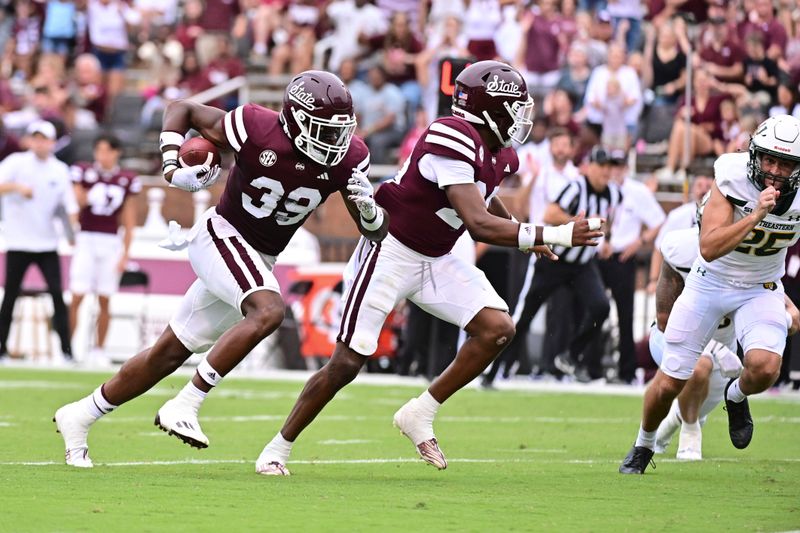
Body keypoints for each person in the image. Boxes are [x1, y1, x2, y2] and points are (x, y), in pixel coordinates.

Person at [254, 60, 604, 476]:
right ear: (490, 108)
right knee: (347, 363)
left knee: (497, 329)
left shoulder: (499, 151)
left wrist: (528, 235)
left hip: (438, 255)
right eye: (514, 106)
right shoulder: (450, 134)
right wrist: (555, 234)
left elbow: (485, 195)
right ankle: (277, 448)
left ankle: (420, 412)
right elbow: (476, 222)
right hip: (391, 250)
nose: (521, 115)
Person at [53, 70, 390, 468]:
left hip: (258, 258)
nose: (335, 141)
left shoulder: (349, 157)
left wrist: (370, 210)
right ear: (296, 119)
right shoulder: (255, 126)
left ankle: (80, 415)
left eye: (340, 131)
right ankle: (187, 402)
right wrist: (171, 168)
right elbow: (181, 108)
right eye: (324, 129)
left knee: (167, 353)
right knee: (268, 311)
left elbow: (376, 231)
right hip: (222, 235)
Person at [620, 114, 800, 474]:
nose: (776, 170)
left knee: (765, 368)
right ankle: (643, 444)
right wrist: (755, 216)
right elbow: (709, 247)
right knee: (671, 380)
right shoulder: (731, 178)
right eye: (769, 159)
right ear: (754, 156)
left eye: (786, 163)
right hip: (710, 281)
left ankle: (735, 396)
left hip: (760, 287)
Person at [650, 198, 800, 460]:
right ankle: (688, 433)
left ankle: (677, 422)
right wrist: (714, 349)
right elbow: (664, 319)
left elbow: (793, 317)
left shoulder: (749, 265)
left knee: (699, 405)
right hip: (674, 336)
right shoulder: (681, 249)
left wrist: (769, 326)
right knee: (698, 368)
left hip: (726, 349)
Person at [497, 145, 623, 383]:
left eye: (610, 167)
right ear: (590, 167)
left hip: (583, 265)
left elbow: (610, 222)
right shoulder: (575, 188)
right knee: (525, 316)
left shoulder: (615, 194)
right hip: (553, 262)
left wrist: (608, 241)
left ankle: (570, 355)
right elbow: (550, 214)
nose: (607, 172)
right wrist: (575, 225)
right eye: (602, 166)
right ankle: (497, 368)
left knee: (601, 307)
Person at [0, 120, 78, 362]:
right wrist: (16, 187)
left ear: (53, 142)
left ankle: (66, 351)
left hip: (47, 243)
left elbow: (69, 206)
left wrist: (73, 231)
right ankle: (2, 348)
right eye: (35, 138)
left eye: (44, 138)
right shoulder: (15, 163)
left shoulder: (60, 170)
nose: (39, 143)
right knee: (10, 295)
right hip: (18, 242)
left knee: (57, 294)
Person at [68, 133, 141, 366]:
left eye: (107, 150)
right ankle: (67, 347)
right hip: (87, 238)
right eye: (99, 150)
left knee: (105, 299)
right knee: (77, 295)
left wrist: (126, 253)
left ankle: (99, 349)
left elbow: (129, 221)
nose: (102, 155)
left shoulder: (126, 179)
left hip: (110, 241)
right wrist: (90, 192)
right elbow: (76, 202)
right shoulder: (84, 172)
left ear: (116, 152)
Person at [597, 149, 664, 384]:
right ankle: (590, 366)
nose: (614, 170)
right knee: (595, 309)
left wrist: (640, 242)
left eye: (618, 165)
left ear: (625, 167)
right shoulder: (599, 187)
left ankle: (626, 370)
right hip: (597, 255)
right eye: (610, 165)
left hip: (623, 257)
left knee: (626, 315)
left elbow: (657, 221)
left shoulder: (638, 192)